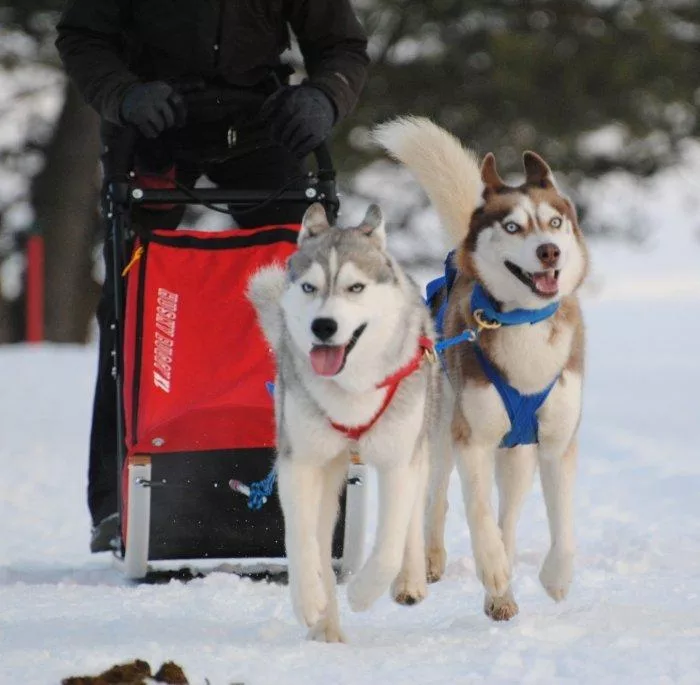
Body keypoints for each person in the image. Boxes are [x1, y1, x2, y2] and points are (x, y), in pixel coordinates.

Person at [55, 0, 369, 551]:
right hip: (153, 125)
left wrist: (323, 96)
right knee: (128, 310)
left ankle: (313, 477)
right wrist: (123, 94)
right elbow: (83, 37)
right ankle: (115, 502)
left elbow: (341, 45)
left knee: (310, 300)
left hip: (262, 123)